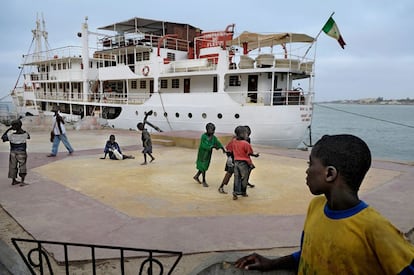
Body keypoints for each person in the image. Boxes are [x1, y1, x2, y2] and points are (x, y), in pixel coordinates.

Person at [235, 134, 414, 274]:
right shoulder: (316, 206)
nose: (307, 170)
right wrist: (272, 263)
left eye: (310, 163)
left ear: (329, 174)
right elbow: (310, 254)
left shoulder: (375, 228)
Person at [228, 126, 259, 200]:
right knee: (244, 178)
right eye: (246, 133)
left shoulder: (234, 141)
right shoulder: (246, 144)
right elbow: (249, 153)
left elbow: (229, 149)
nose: (247, 135)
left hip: (236, 162)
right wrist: (255, 155)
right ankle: (243, 192)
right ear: (242, 134)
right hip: (244, 163)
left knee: (236, 178)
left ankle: (235, 192)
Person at [193, 122, 225, 187]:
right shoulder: (203, 136)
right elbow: (204, 145)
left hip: (208, 154)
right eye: (211, 130)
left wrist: (222, 148)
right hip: (202, 154)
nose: (213, 132)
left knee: (204, 166)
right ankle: (204, 181)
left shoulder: (213, 137)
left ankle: (196, 176)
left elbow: (217, 143)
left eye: (214, 130)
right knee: (203, 167)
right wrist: (212, 146)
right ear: (207, 129)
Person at [1, 119, 30, 186]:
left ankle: (13, 180)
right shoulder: (25, 134)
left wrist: (8, 129)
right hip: (22, 152)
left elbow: (3, 138)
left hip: (13, 152)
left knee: (12, 166)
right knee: (22, 166)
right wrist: (21, 129)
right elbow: (28, 136)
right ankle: (22, 181)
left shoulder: (11, 135)